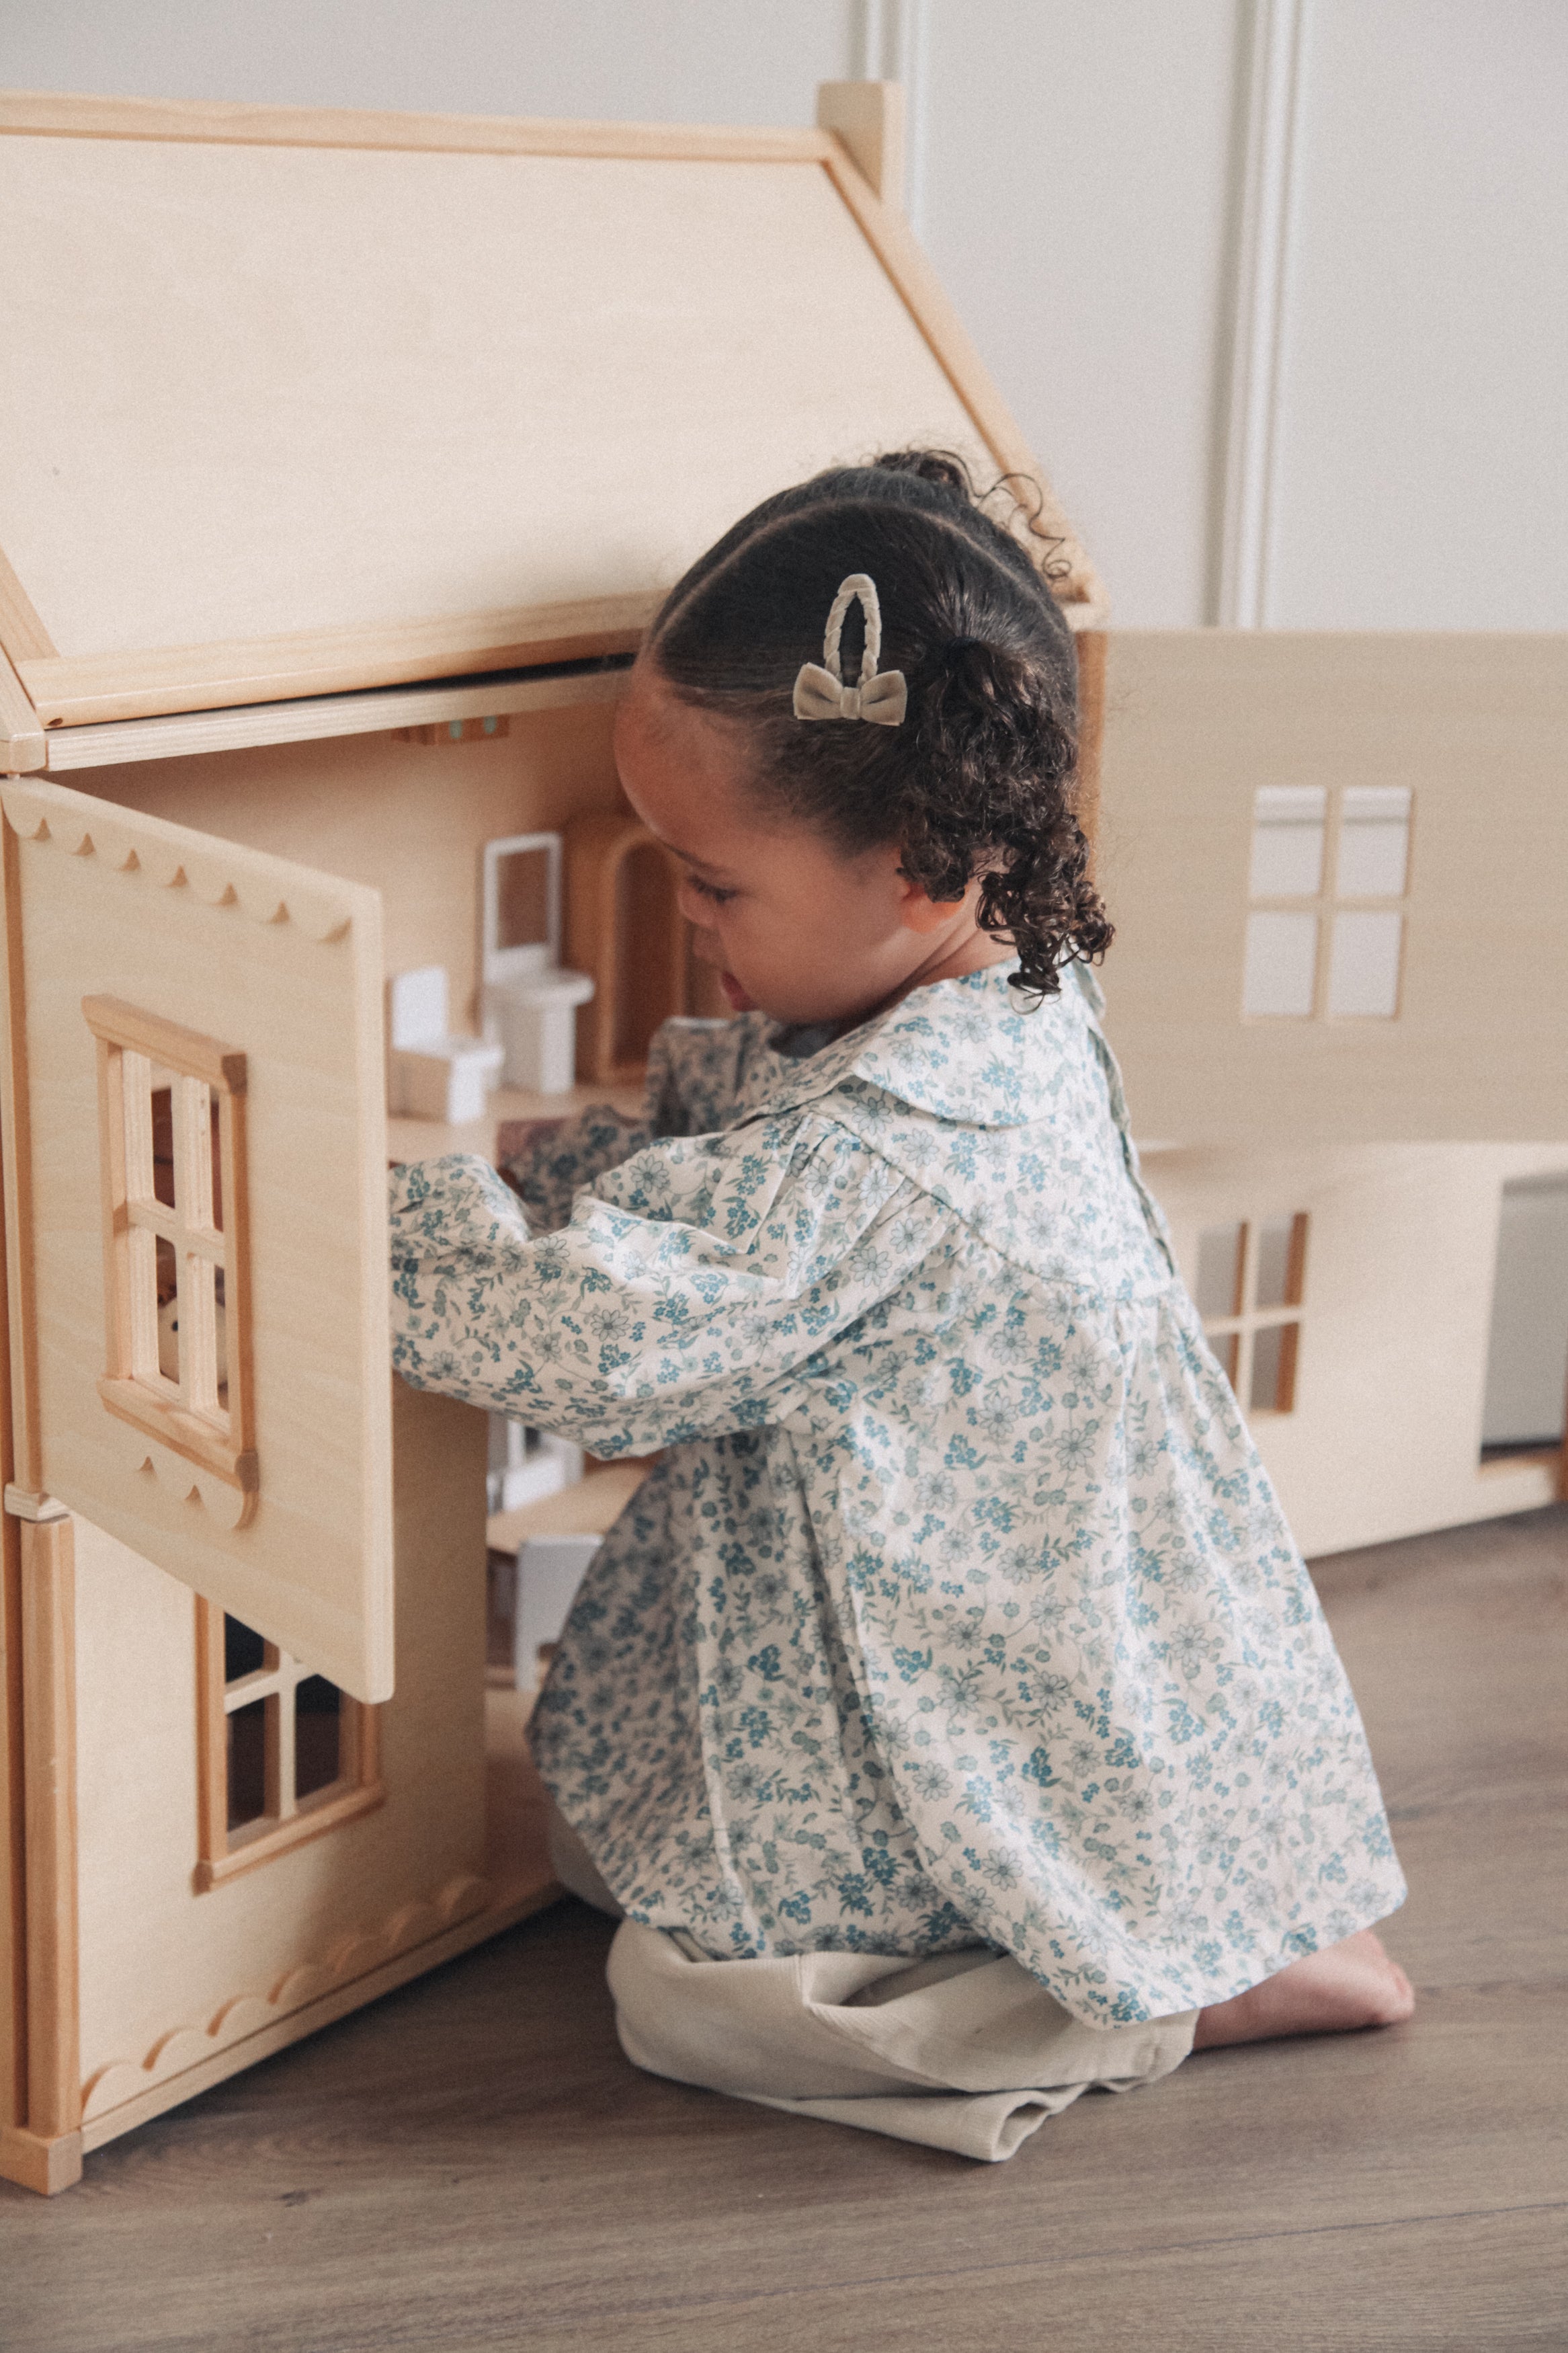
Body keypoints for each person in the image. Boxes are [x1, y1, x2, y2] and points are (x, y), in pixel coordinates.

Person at [388, 450, 1413, 2161]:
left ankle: (1162, 1978)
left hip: (947, 1667)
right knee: (614, 1830)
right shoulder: (1003, 976)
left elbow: (601, 1339)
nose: (684, 915)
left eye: (714, 886)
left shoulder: (886, 1159)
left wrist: (400, 1219)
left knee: (690, 1995)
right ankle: (1185, 1925)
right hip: (987, 1587)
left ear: (921, 865)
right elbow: (736, 1157)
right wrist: (564, 1161)